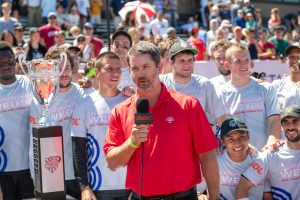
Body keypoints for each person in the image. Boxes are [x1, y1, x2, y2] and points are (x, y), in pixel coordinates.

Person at [103, 41, 220, 199]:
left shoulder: (188, 105)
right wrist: (132, 142)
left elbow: (207, 156)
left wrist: (214, 197)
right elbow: (112, 163)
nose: (140, 74)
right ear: (129, 71)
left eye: (146, 67)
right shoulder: (120, 111)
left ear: (159, 68)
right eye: (135, 69)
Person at [72, 51, 130, 200]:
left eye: (118, 69)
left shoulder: (131, 101)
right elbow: (78, 150)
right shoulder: (84, 103)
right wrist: (84, 187)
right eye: (109, 69)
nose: (115, 73)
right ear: (97, 72)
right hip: (98, 187)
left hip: (130, 186)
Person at [28, 48, 83, 198]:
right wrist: (36, 179)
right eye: (58, 68)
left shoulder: (83, 93)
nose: (64, 73)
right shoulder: (40, 98)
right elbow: (33, 142)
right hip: (50, 175)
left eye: (67, 68)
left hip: (78, 175)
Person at [219, 44, 281, 151]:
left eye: (246, 60)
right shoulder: (220, 94)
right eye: (238, 61)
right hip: (234, 157)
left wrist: (272, 139)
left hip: (264, 154)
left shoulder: (266, 88)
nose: (243, 64)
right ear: (227, 65)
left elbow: (274, 120)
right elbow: (220, 126)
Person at [236, 105, 300, 199]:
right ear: (281, 127)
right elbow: (242, 188)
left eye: (295, 121)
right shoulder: (270, 155)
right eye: (286, 122)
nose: (290, 127)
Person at [160, 41, 226, 127]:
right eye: (182, 61)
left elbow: (220, 116)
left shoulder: (204, 84)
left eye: (190, 60)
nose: (187, 64)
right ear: (171, 62)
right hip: (168, 138)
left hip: (196, 139)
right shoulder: (160, 83)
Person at [199, 118, 268, 199]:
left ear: (248, 136)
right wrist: (201, 196)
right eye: (231, 138)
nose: (237, 142)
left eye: (241, 136)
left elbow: (268, 194)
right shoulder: (215, 162)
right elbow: (198, 190)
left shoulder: (261, 160)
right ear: (223, 141)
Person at [0, 41, 34, 199]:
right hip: (2, 170)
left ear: (15, 61)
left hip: (30, 169)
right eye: (0, 63)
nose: (6, 66)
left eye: (9, 61)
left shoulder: (28, 82)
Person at [272, 42, 300, 110]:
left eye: (299, 57)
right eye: (291, 57)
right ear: (287, 60)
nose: (295, 60)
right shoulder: (277, 85)